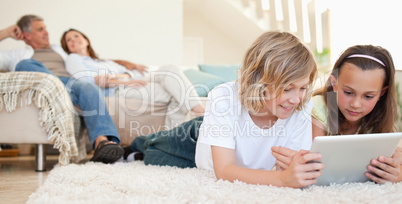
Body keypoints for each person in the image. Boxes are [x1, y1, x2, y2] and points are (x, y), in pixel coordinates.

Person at [122, 31, 325, 188]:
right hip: (199, 134)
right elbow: (225, 170)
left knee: (153, 157)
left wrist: (293, 169)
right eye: (287, 88)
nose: (296, 98)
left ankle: (139, 151)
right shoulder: (224, 98)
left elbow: (294, 165)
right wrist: (281, 178)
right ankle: (137, 144)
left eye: (303, 88)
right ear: (259, 82)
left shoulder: (302, 104)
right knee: (154, 144)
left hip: (210, 157)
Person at [0, 15, 123, 164]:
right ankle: (61, 90)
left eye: (45, 28)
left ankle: (101, 143)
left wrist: (126, 64)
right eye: (40, 29)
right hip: (44, 87)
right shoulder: (17, 54)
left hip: (71, 86)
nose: (46, 32)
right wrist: (6, 33)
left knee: (87, 86)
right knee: (24, 65)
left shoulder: (60, 50)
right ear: (27, 35)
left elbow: (91, 58)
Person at [272, 45, 402, 183]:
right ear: (334, 83)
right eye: (348, 92)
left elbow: (395, 159)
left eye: (368, 96)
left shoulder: (379, 115)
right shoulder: (318, 107)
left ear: (381, 93)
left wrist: (397, 174)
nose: (356, 104)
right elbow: (317, 163)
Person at [60, 29, 205, 128]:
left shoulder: (104, 62)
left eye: (76, 36)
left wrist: (124, 77)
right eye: (68, 40)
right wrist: (125, 81)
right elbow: (92, 81)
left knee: (170, 69)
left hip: (129, 82)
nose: (73, 40)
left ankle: (197, 110)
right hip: (117, 90)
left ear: (86, 40)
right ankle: (196, 116)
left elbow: (128, 73)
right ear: (67, 47)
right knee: (173, 92)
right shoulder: (73, 59)